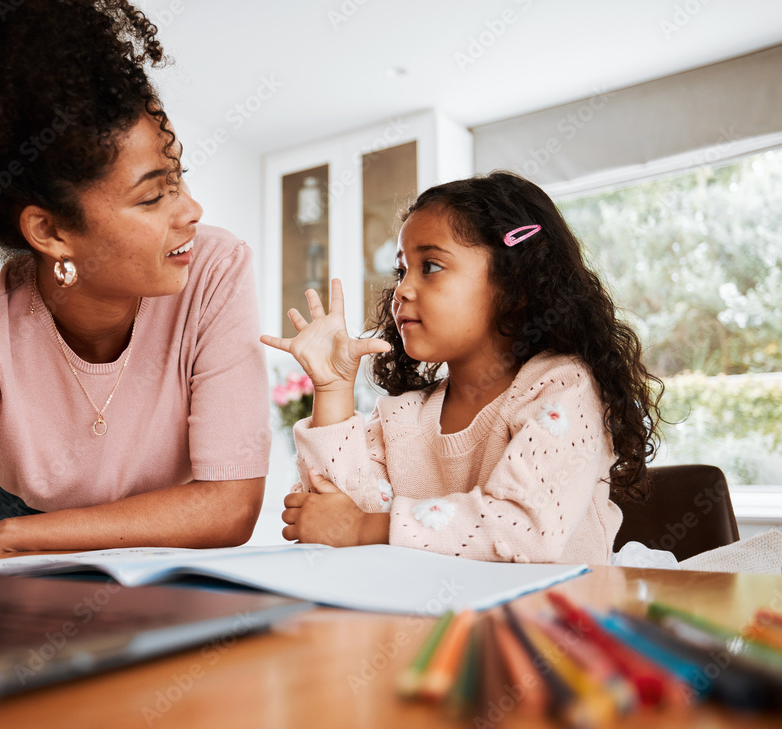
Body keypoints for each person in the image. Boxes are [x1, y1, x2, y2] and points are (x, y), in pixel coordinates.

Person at [0, 0, 269, 556]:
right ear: (51, 230)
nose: (192, 211)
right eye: (154, 195)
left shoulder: (216, 269)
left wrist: (19, 535)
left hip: (160, 534)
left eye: (178, 178)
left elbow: (230, 505)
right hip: (24, 521)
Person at [262, 172, 664, 564]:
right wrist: (332, 388)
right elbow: (335, 511)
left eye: (431, 266)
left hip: (557, 621)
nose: (401, 289)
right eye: (401, 270)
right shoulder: (402, 414)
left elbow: (525, 527)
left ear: (515, 284)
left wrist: (363, 528)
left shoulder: (562, 388)